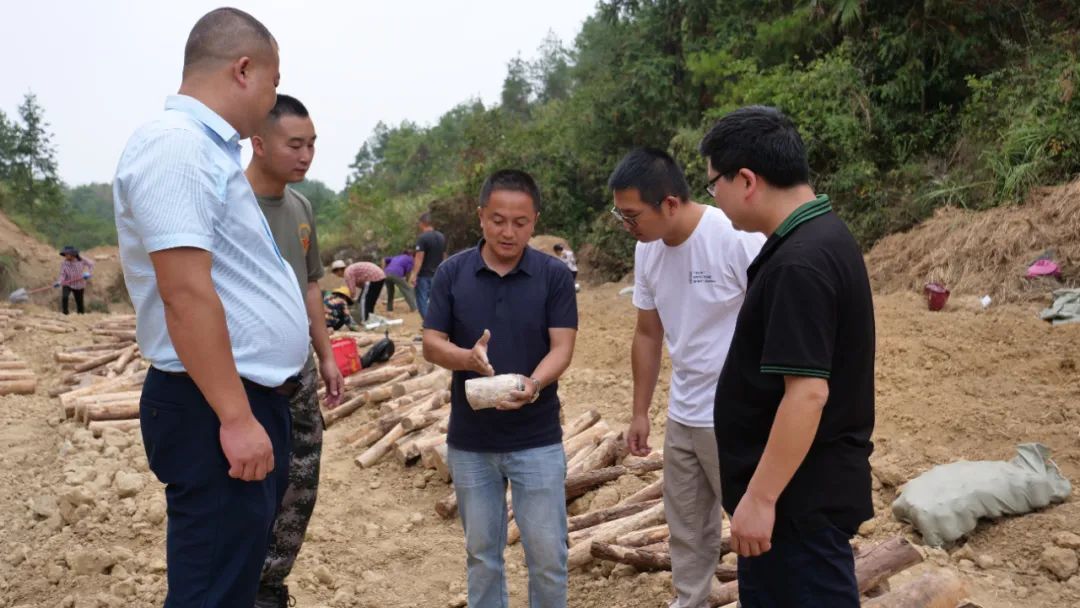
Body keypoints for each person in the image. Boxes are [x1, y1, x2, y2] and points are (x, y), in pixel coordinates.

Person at [112, 8, 310, 607]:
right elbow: (185, 293)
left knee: (232, 583)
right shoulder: (175, 148)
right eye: (274, 82)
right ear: (244, 69)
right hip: (215, 406)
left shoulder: (207, 152)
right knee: (212, 593)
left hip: (236, 400)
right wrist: (235, 418)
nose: (273, 95)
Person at [700, 106, 875, 608]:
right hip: (800, 498)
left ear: (747, 180)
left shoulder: (799, 263)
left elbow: (808, 393)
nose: (715, 198)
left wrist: (760, 498)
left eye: (715, 184)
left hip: (796, 505)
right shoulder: (820, 238)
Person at [610, 148, 764, 608]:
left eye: (632, 214)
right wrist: (640, 412)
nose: (627, 225)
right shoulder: (647, 251)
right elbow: (647, 333)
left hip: (736, 415)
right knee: (687, 525)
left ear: (671, 204)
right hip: (684, 413)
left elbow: (774, 322)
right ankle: (690, 600)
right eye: (620, 214)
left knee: (749, 524)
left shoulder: (734, 238)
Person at [422, 169, 577, 607]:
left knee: (548, 555)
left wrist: (534, 383)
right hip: (472, 443)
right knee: (482, 555)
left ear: (535, 221)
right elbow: (432, 343)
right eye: (497, 220)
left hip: (537, 439)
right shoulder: (453, 274)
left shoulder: (553, 275)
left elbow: (562, 348)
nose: (508, 232)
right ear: (480, 217)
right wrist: (466, 359)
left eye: (520, 222)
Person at [245, 93, 344, 608]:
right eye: (295, 144)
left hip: (298, 373)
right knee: (248, 488)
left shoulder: (301, 206)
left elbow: (311, 287)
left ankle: (270, 584)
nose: (306, 155)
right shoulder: (231, 203)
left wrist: (325, 355)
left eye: (311, 145)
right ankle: (240, 583)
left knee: (300, 481)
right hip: (248, 377)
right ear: (258, 144)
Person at [409, 212, 446, 318]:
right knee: (436, 300)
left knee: (422, 300)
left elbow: (419, 258)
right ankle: (438, 323)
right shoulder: (441, 237)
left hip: (424, 275)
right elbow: (444, 256)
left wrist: (414, 274)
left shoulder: (422, 238)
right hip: (437, 274)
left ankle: (428, 323)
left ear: (422, 223)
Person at [55, 245, 94, 315]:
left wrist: (88, 273)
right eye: (65, 254)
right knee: (65, 297)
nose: (65, 256)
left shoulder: (81, 260)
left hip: (79, 284)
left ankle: (81, 316)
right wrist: (59, 282)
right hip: (68, 283)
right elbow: (62, 274)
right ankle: (65, 314)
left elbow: (91, 264)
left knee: (79, 303)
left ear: (72, 254)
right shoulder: (64, 263)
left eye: (67, 254)